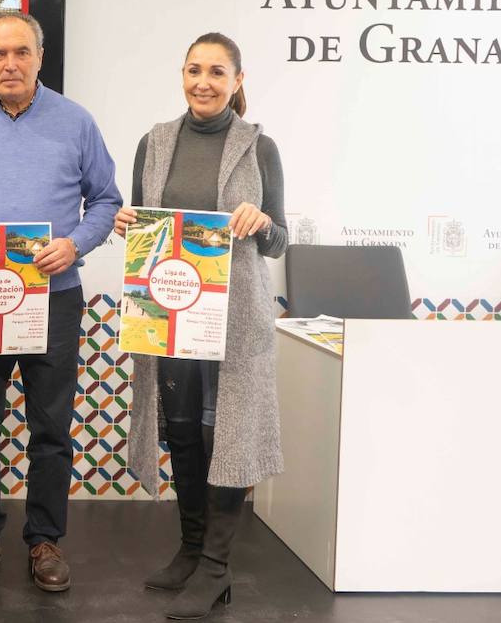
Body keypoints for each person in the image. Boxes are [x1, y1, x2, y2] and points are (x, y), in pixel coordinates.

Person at [0, 11, 122, 592]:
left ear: (40, 56)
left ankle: (44, 540)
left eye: (21, 53)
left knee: (51, 427)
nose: (9, 64)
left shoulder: (76, 121)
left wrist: (75, 244)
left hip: (54, 298)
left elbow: (106, 201)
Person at [116, 32, 287, 620]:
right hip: (171, 314)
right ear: (182, 75)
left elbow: (279, 240)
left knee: (226, 435)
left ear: (237, 81)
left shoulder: (260, 147)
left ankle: (216, 568)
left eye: (217, 72)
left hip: (236, 321)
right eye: (194, 70)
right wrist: (127, 224)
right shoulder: (154, 142)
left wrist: (261, 222)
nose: (203, 82)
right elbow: (145, 225)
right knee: (184, 429)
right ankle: (191, 550)